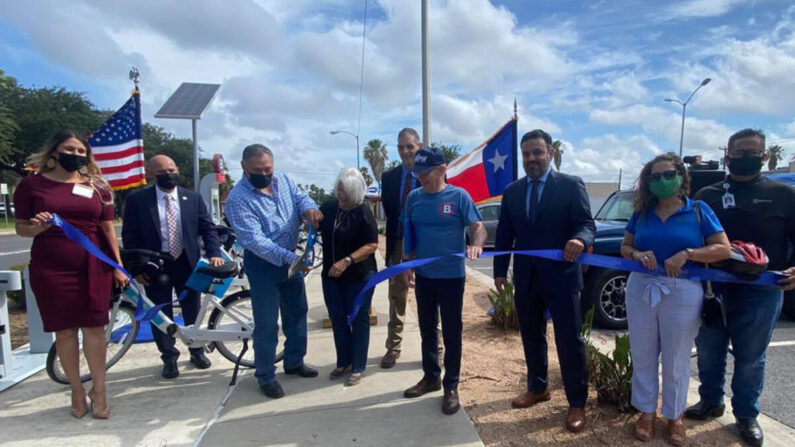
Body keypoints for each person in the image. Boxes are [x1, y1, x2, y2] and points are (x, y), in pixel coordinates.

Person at [686, 128, 795, 447]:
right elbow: (690, 236)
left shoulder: (783, 195)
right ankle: (711, 401)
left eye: (752, 152)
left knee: (750, 358)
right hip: (713, 289)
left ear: (764, 156)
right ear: (727, 156)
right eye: (738, 153)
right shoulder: (707, 196)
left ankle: (746, 415)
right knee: (708, 351)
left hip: (760, 290)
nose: (744, 158)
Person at [14, 130, 128, 419]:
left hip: (93, 265)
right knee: (64, 331)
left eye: (81, 151)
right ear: (54, 152)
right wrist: (36, 227)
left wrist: (117, 266)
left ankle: (99, 390)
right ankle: (76, 389)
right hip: (51, 266)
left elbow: (107, 229)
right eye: (70, 149)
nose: (76, 155)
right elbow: (21, 228)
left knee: (94, 328)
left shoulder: (98, 186)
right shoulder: (31, 185)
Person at [620, 153, 731, 445]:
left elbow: (722, 249)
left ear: (681, 176)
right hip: (641, 287)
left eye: (668, 174)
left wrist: (689, 254)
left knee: (676, 357)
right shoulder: (642, 212)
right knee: (643, 353)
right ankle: (645, 411)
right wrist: (636, 254)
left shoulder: (698, 210)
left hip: (683, 289)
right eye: (654, 177)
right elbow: (625, 246)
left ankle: (674, 415)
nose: (661, 181)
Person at [493, 129, 595, 432]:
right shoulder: (512, 191)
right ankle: (538, 387)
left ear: (550, 153)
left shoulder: (570, 185)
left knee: (569, 340)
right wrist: (500, 270)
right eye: (526, 154)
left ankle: (577, 402)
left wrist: (579, 238)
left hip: (562, 278)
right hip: (526, 278)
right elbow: (504, 234)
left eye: (537, 152)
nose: (531, 159)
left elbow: (586, 224)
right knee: (531, 336)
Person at [224, 144, 323, 399]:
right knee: (267, 323)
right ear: (245, 169)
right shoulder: (238, 199)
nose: (265, 174)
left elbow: (301, 197)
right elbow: (256, 242)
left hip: (291, 260)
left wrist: (309, 208)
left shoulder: (283, 179)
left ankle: (294, 361)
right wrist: (294, 259)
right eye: (258, 170)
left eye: (268, 168)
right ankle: (266, 375)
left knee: (297, 312)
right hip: (264, 265)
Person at [400, 146, 486, 415]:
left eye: (425, 172)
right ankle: (431, 377)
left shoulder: (458, 197)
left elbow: (478, 227)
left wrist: (477, 244)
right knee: (427, 329)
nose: (420, 178)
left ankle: (451, 385)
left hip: (451, 277)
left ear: (442, 169)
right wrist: (407, 262)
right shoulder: (414, 198)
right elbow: (409, 231)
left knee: (451, 332)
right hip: (424, 277)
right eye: (417, 173)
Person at [122, 155, 223, 379]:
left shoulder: (192, 198)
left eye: (172, 169)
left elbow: (207, 228)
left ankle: (196, 350)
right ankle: (169, 357)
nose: (169, 175)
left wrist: (214, 253)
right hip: (155, 265)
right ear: (152, 175)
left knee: (192, 310)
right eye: (162, 172)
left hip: (187, 263)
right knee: (160, 313)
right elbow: (130, 235)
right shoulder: (138, 201)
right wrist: (136, 267)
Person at [318, 168, 378, 386]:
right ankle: (343, 361)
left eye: (345, 194)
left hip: (359, 275)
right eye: (339, 191)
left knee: (358, 319)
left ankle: (359, 365)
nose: (341, 197)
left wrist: (347, 260)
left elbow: (372, 245)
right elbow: (315, 223)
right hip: (331, 276)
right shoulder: (330, 207)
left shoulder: (363, 211)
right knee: (338, 318)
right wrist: (312, 218)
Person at [379, 127, 422, 369]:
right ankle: (393, 347)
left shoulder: (431, 173)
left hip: (426, 245)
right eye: (401, 147)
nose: (405, 152)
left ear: (419, 147)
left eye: (410, 147)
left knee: (430, 294)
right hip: (398, 244)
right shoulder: (389, 177)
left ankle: (435, 344)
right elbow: (390, 213)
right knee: (397, 296)